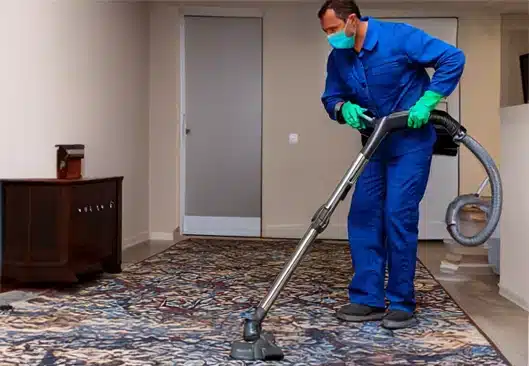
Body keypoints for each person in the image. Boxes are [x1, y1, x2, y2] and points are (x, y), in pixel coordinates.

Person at [318, 0, 466, 329]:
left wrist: (429, 100)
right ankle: (367, 298)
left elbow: (453, 57)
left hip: (410, 145)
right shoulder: (338, 57)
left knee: (397, 215)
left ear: (351, 20)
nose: (330, 37)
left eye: (332, 29)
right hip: (374, 145)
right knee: (364, 215)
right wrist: (343, 108)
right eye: (326, 32)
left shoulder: (398, 37)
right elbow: (330, 97)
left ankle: (401, 302)